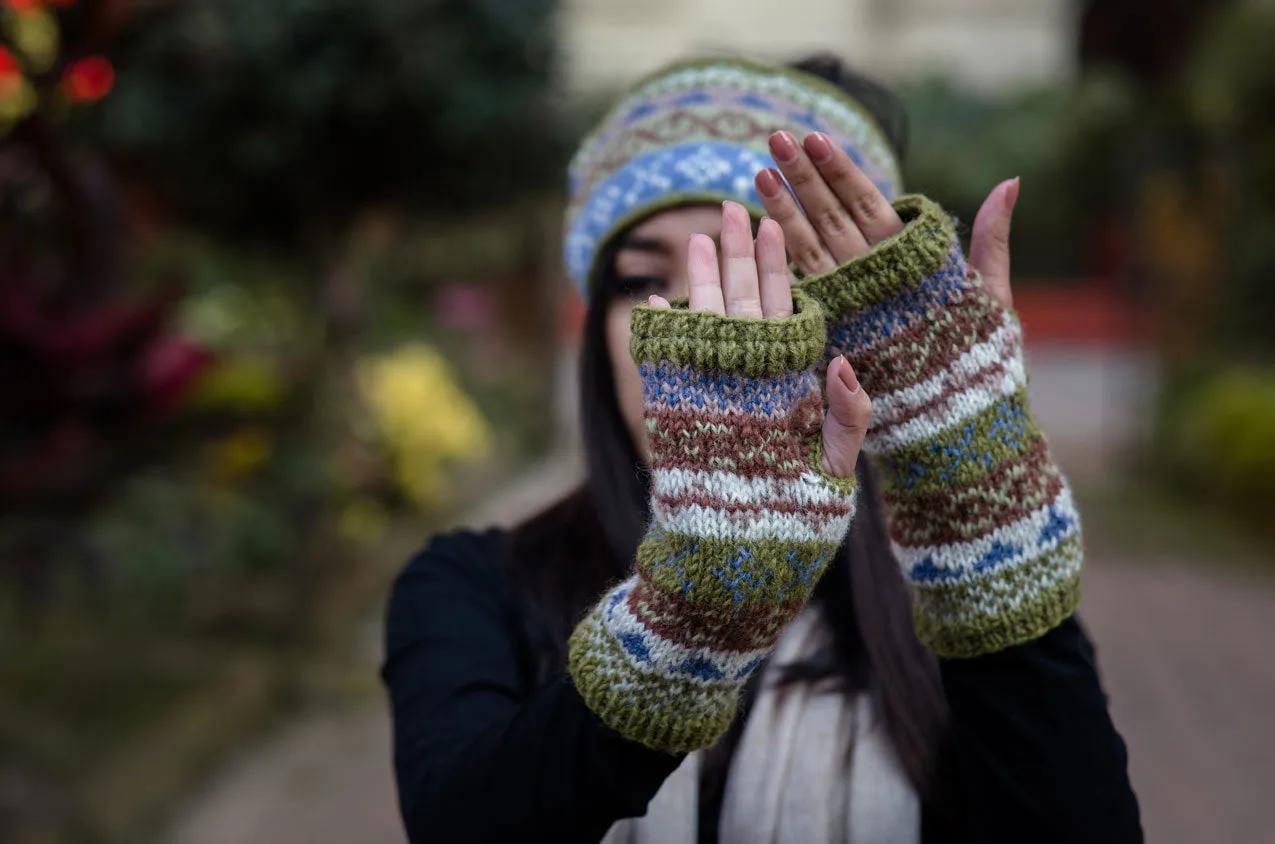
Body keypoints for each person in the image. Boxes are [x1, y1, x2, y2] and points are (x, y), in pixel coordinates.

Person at [381, 55, 1143, 844]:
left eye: (748, 273)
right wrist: (684, 627)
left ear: (853, 326)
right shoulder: (475, 584)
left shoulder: (950, 602)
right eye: (637, 278)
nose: (690, 320)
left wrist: (973, 514)